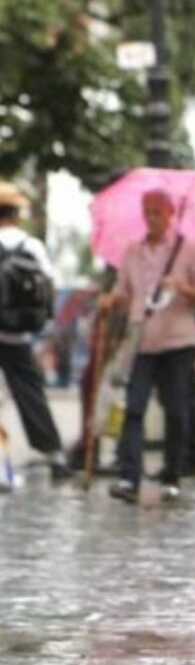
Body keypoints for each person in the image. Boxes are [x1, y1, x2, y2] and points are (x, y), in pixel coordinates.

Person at [105, 188, 195, 502]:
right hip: (142, 342)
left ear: (170, 214)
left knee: (176, 410)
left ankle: (172, 474)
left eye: (157, 211)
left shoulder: (189, 250)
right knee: (134, 408)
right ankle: (129, 476)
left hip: (178, 342)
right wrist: (113, 301)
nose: (151, 218)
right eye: (147, 212)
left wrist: (181, 287)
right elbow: (124, 294)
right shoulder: (133, 251)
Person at [0, 181, 69, 479]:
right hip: (19, 334)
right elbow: (48, 288)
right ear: (16, 213)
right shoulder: (31, 245)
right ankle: (55, 456)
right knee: (31, 395)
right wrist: (45, 324)